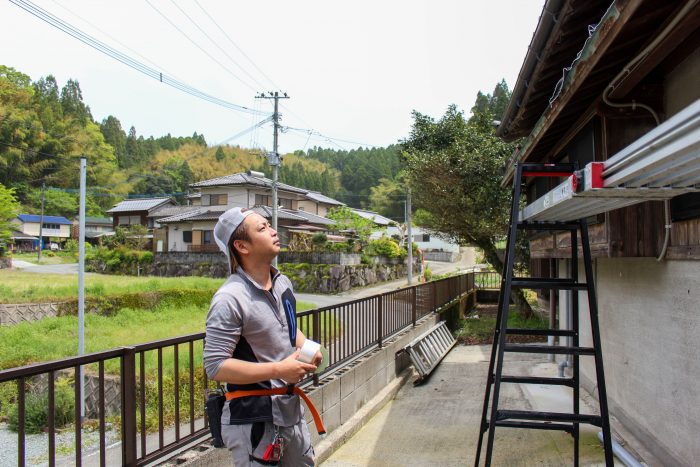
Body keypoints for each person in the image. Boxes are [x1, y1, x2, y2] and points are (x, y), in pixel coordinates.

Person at [203, 207, 323, 466]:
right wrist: (279, 369)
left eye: (269, 225)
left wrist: (309, 348)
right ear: (242, 246)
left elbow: (290, 328)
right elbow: (215, 366)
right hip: (254, 420)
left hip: (290, 410)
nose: (273, 231)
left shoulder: (282, 282)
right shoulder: (230, 299)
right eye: (262, 228)